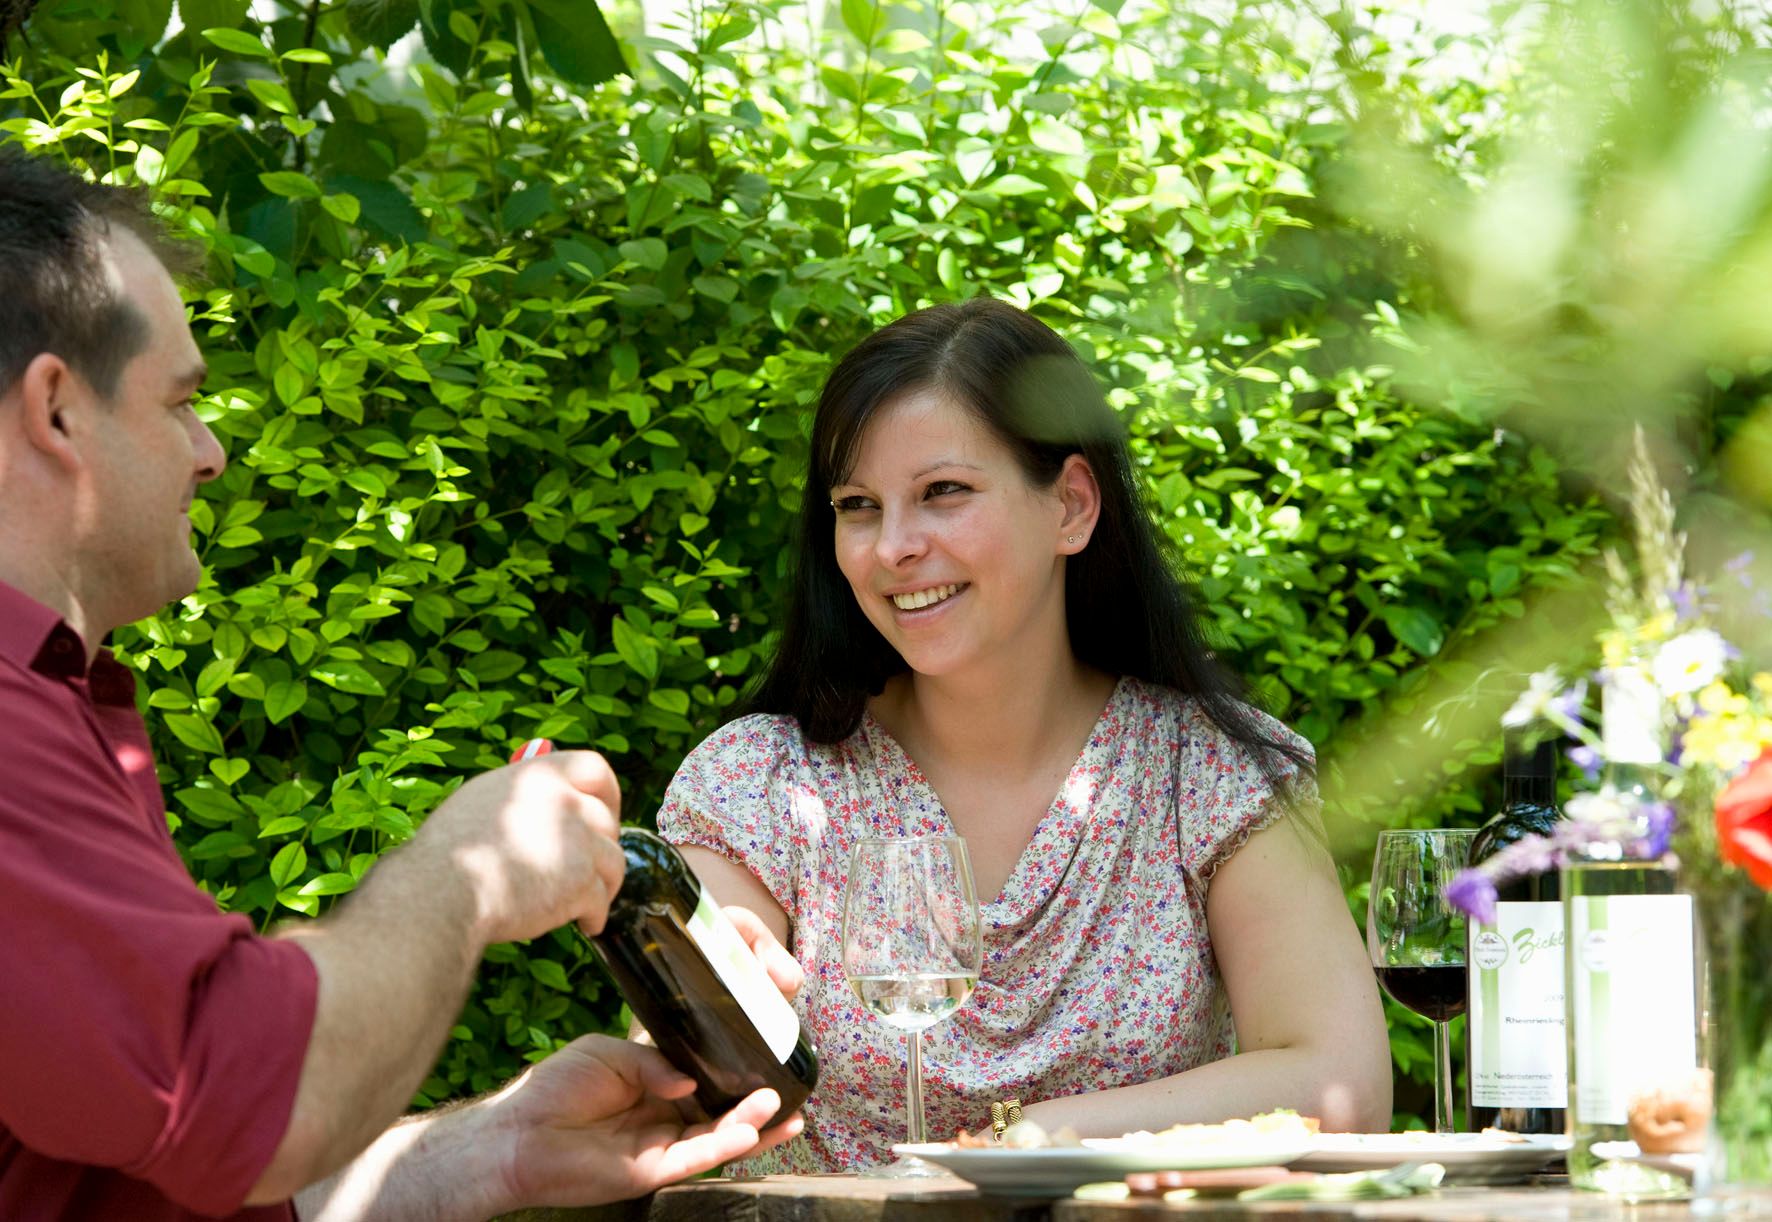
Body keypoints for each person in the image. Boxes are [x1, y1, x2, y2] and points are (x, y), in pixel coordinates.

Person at [0, 148, 801, 1220]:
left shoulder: (56, 702)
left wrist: (493, 1148)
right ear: (56, 411)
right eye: (182, 402)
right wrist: (472, 867)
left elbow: (152, 1168)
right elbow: (235, 1095)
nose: (213, 450)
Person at [656, 298, 1393, 1172]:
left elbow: (1339, 1083)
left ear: (1071, 505)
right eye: (858, 505)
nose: (893, 547)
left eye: (943, 492)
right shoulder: (762, 784)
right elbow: (689, 1087)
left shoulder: (1204, 774)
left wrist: (1026, 1140)